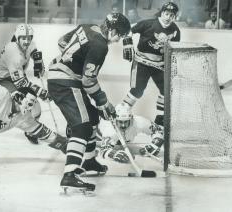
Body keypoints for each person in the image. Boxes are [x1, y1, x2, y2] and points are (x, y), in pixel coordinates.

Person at [47, 12, 131, 192]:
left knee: (92, 117)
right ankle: (70, 174)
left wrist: (72, 61)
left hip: (61, 77)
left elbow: (62, 41)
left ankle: (89, 161)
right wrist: (104, 102)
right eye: (120, 36)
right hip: (65, 82)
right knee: (82, 126)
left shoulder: (88, 27)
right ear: (113, 31)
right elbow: (88, 81)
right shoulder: (101, 45)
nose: (117, 40)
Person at [120, 2, 180, 127]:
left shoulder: (175, 30)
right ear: (162, 13)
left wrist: (173, 65)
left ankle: (160, 118)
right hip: (141, 63)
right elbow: (129, 30)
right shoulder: (148, 23)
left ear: (175, 17)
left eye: (172, 15)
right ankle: (122, 110)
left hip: (159, 65)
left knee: (166, 90)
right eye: (166, 13)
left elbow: (173, 50)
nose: (168, 17)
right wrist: (127, 43)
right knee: (137, 91)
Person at [0, 23, 49, 144]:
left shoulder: (29, 43)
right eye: (23, 38)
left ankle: (30, 129)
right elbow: (21, 82)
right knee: (25, 101)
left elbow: (33, 51)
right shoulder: (14, 54)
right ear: (17, 38)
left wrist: (38, 61)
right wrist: (40, 91)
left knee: (33, 103)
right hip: (1, 79)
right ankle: (25, 125)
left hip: (14, 74)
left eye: (29, 38)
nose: (27, 41)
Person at [96, 103, 164, 164]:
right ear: (115, 120)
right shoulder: (109, 128)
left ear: (131, 119)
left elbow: (159, 130)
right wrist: (114, 154)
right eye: (120, 122)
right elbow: (103, 150)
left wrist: (156, 144)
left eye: (126, 122)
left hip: (121, 143)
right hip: (97, 137)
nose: (123, 125)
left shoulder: (138, 122)